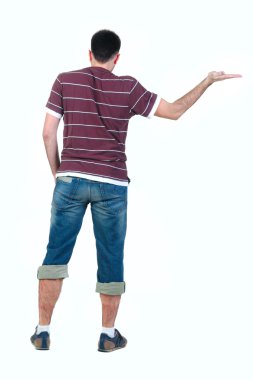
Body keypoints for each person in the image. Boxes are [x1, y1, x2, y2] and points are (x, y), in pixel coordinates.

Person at [30, 29, 241, 352]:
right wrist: (207, 81)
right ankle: (107, 335)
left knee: (55, 256)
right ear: (117, 57)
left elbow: (47, 133)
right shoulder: (128, 87)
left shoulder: (64, 80)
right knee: (111, 259)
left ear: (89, 54)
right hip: (112, 184)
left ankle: (43, 331)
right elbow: (174, 111)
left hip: (70, 180)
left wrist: (59, 174)